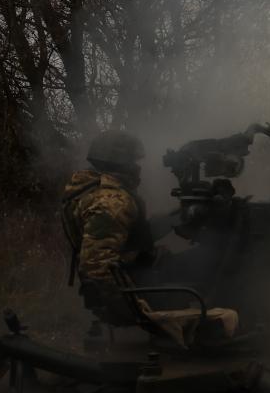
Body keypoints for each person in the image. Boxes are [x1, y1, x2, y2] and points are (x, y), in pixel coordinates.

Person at [61, 130, 236, 347]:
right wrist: (140, 311)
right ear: (122, 164)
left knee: (201, 258)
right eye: (134, 162)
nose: (138, 167)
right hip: (137, 288)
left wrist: (174, 220)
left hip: (134, 273)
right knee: (218, 258)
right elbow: (97, 266)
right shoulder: (112, 202)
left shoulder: (91, 191)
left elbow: (126, 235)